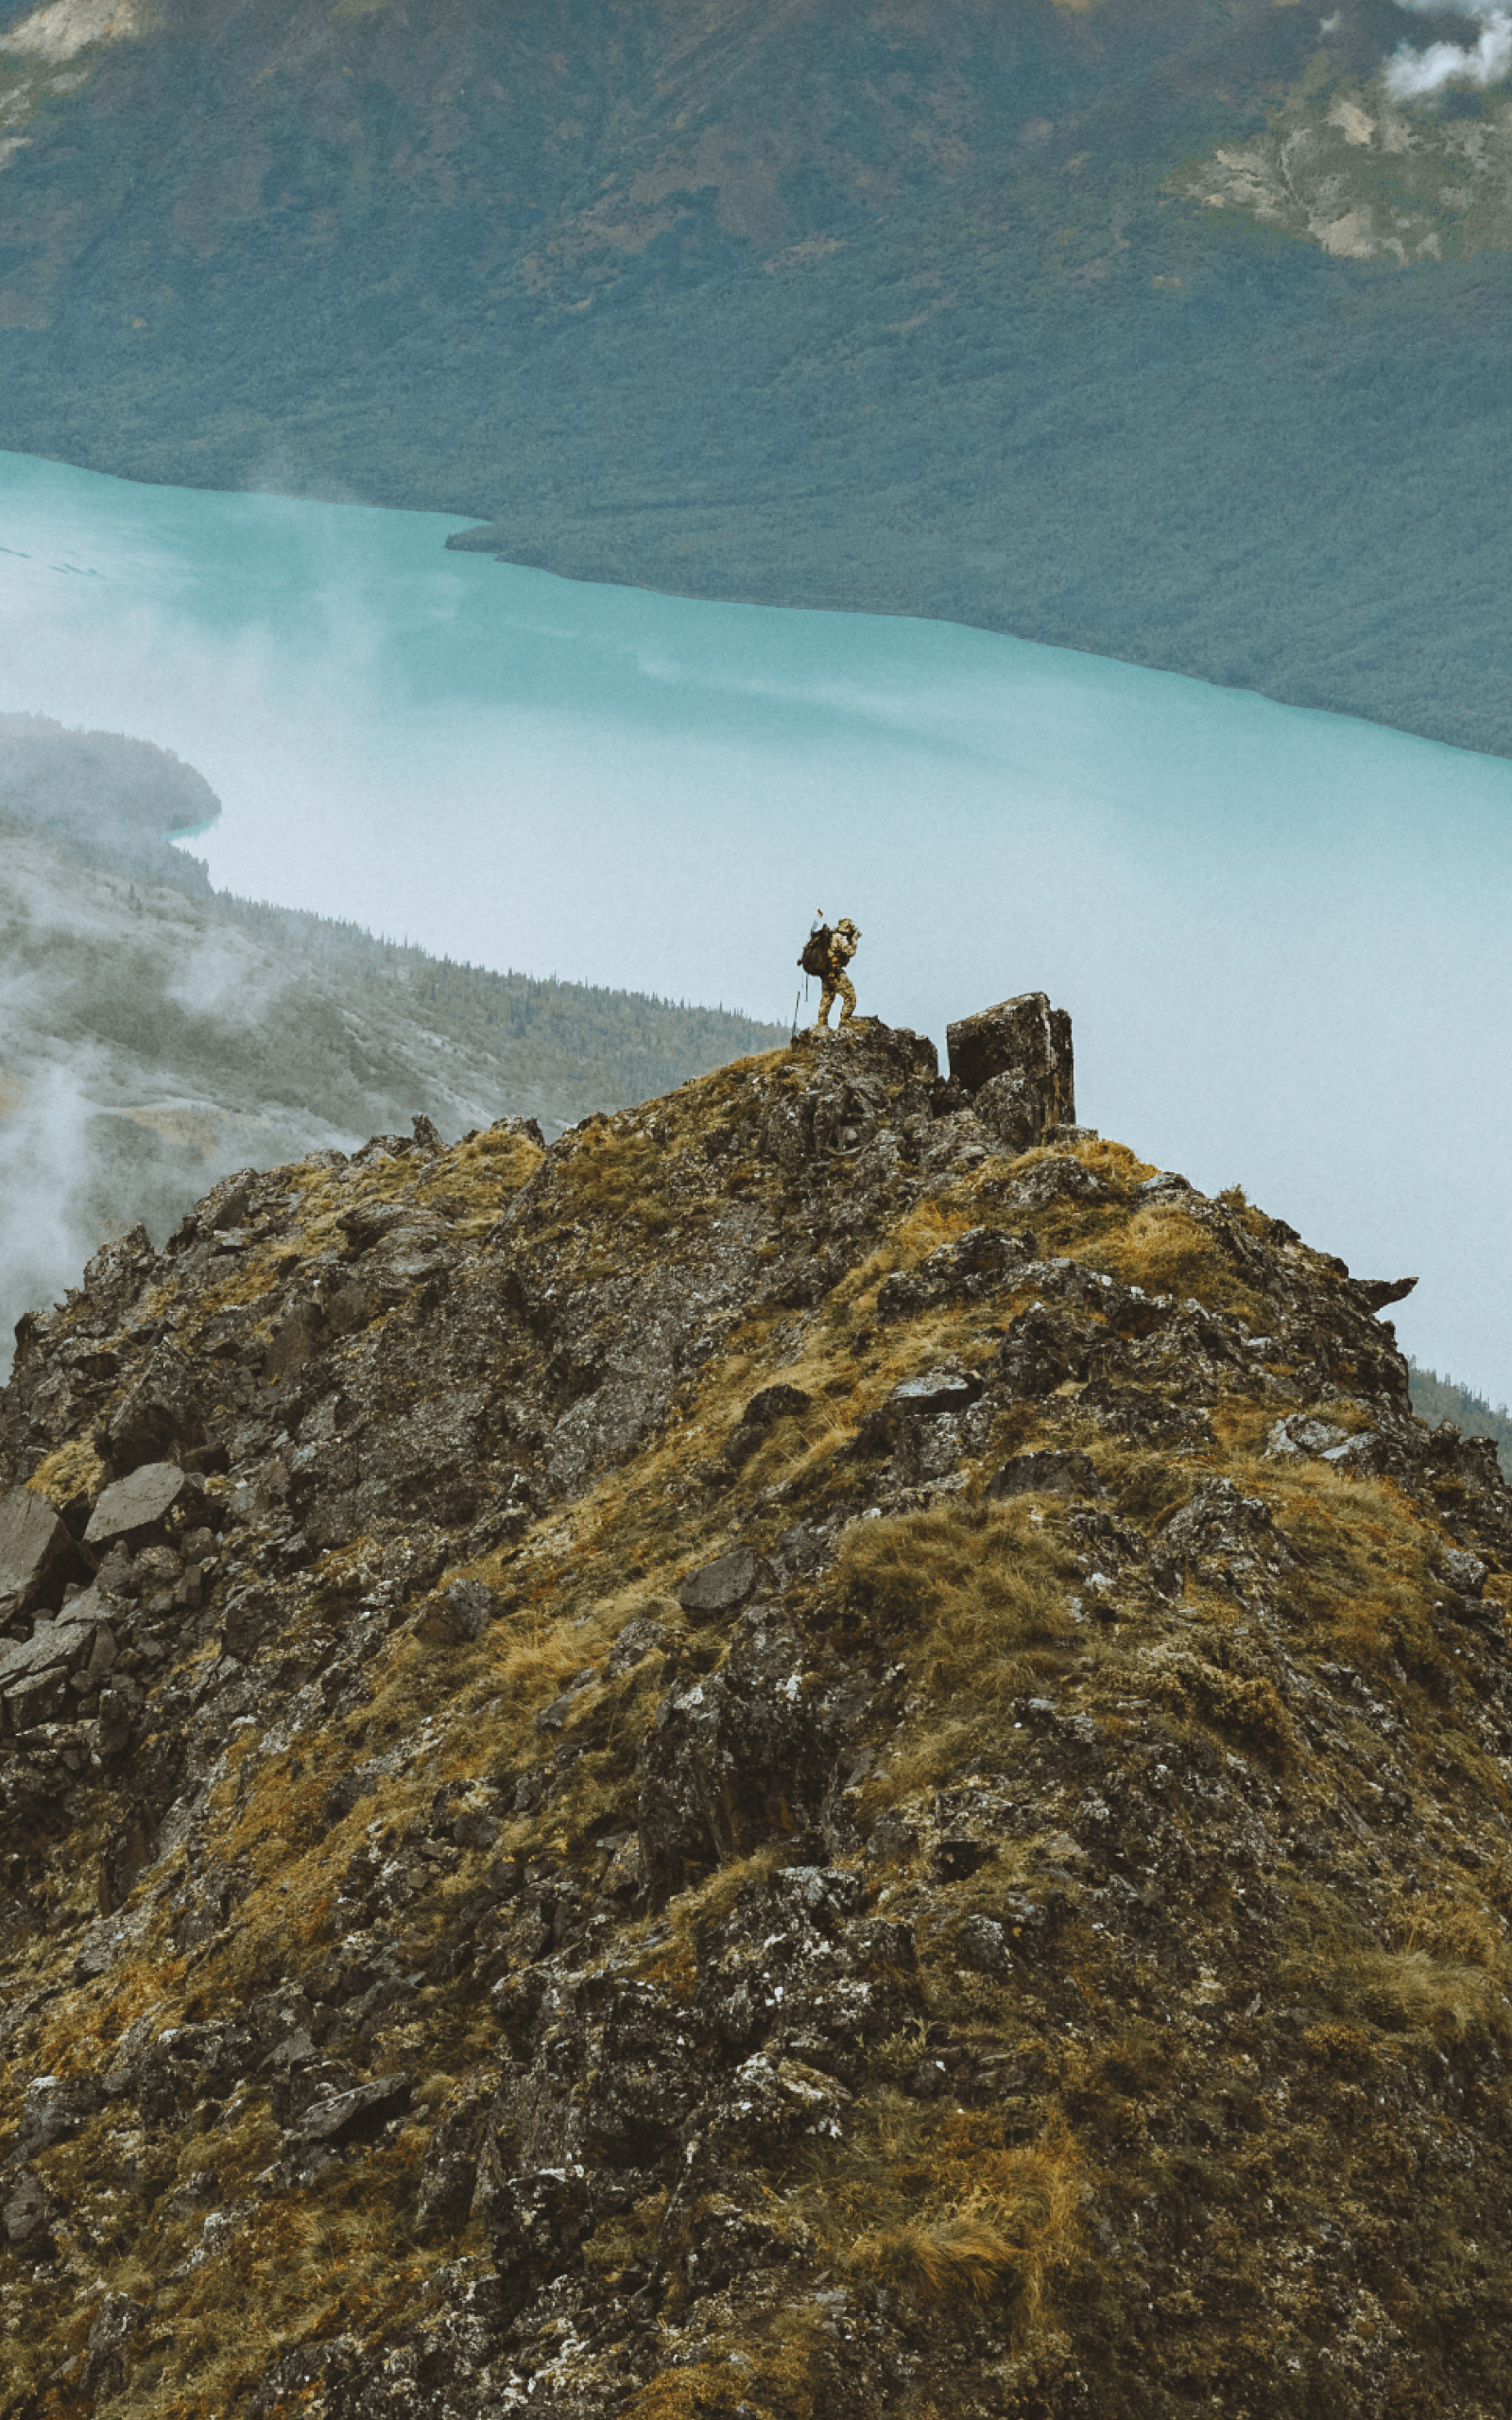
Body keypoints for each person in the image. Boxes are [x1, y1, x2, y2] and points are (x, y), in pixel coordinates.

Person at [816, 917, 860, 1029]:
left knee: (827, 998)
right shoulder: (839, 938)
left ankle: (821, 1025)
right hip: (835, 972)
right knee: (850, 997)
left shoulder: (831, 936)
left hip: (826, 972)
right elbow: (850, 952)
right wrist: (854, 939)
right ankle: (844, 1023)